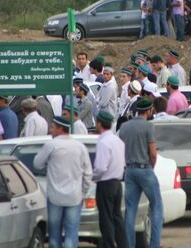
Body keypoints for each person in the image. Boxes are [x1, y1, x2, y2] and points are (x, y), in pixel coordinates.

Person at [34, 117, 92, 248]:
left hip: (55, 197)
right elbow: (88, 173)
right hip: (74, 197)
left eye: (53, 127)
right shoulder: (80, 146)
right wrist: (83, 191)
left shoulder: (51, 145)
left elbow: (37, 164)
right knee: (71, 234)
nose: (50, 130)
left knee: (54, 236)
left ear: (60, 129)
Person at [119, 99, 163, 248]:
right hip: (145, 168)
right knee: (157, 206)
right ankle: (154, 244)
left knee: (130, 210)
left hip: (129, 170)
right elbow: (153, 153)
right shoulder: (148, 127)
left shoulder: (124, 127)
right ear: (149, 111)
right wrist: (151, 167)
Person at [93, 111, 127, 248]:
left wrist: (90, 177)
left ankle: (109, 245)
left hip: (105, 184)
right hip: (117, 183)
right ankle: (123, 244)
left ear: (99, 123)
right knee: (117, 218)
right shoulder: (118, 141)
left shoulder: (103, 142)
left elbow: (100, 168)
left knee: (106, 220)